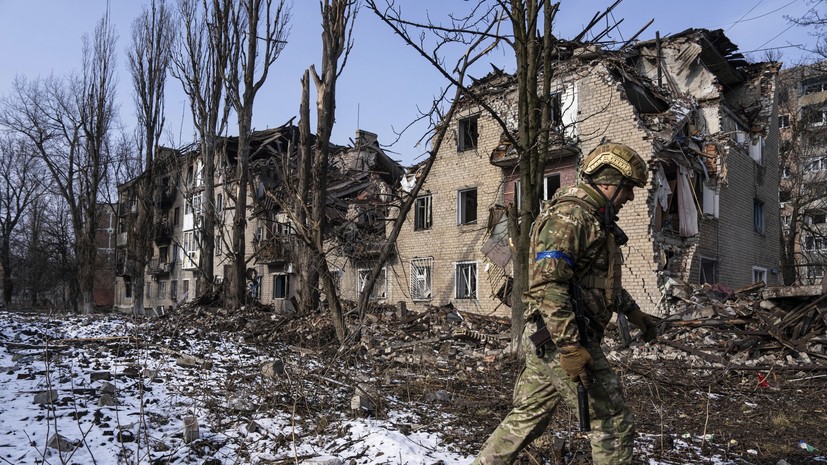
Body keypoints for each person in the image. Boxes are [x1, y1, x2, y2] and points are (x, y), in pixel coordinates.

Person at [472, 143, 658, 465]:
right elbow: (548, 285)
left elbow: (594, 283)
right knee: (613, 423)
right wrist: (571, 347)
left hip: (551, 337)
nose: (629, 198)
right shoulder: (570, 217)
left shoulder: (594, 219)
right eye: (628, 189)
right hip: (563, 338)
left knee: (528, 418)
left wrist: (634, 313)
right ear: (608, 182)